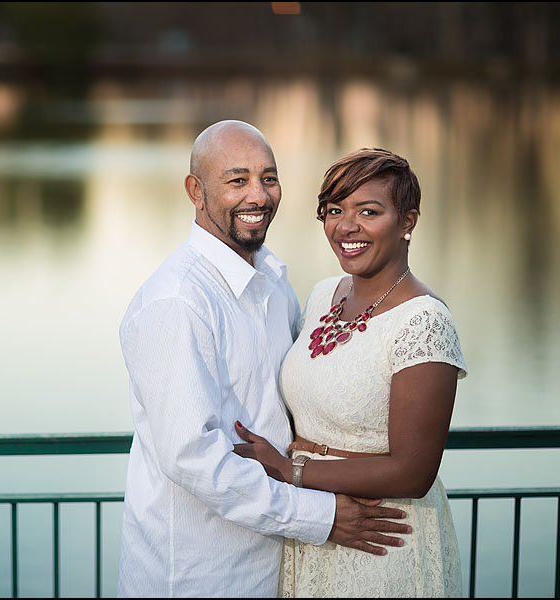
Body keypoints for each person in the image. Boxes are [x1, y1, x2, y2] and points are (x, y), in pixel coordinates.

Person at [117, 123, 411, 598]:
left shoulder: (273, 281)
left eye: (268, 178)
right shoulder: (177, 301)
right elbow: (192, 457)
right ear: (196, 191)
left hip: (280, 565)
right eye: (237, 180)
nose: (258, 194)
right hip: (201, 575)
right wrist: (321, 515)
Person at [233, 148, 466, 597]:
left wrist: (290, 470)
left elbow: (413, 473)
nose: (346, 227)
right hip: (313, 528)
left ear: (407, 222)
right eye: (335, 210)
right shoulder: (323, 295)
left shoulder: (424, 322)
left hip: (383, 538)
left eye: (369, 211)